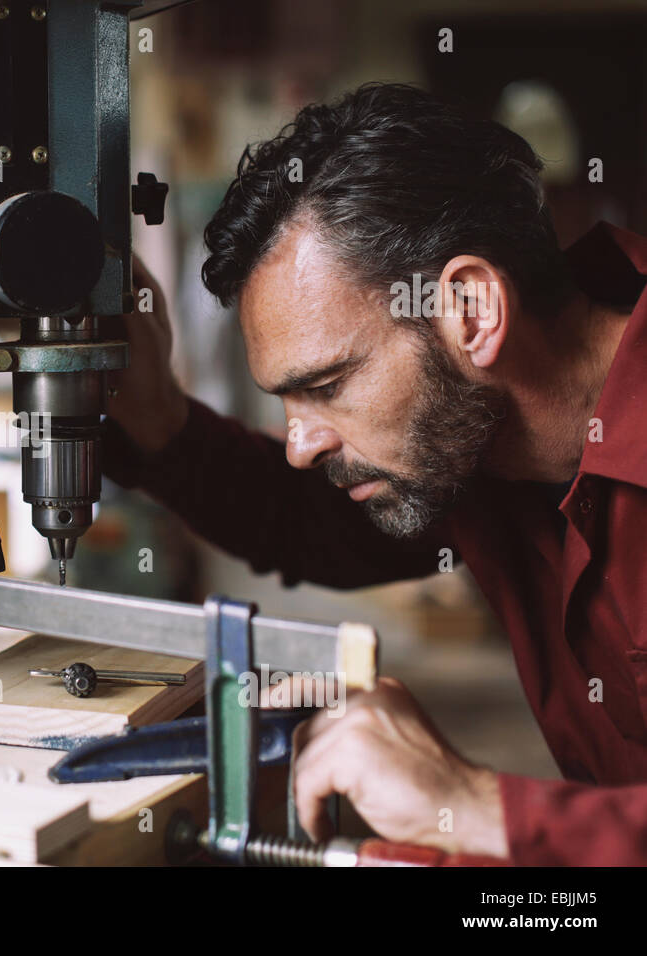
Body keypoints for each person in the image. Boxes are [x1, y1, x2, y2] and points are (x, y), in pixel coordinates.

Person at [104, 82, 647, 865]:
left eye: (325, 386)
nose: (299, 444)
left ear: (469, 310)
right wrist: (159, 420)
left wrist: (471, 805)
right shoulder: (479, 445)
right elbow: (316, 523)